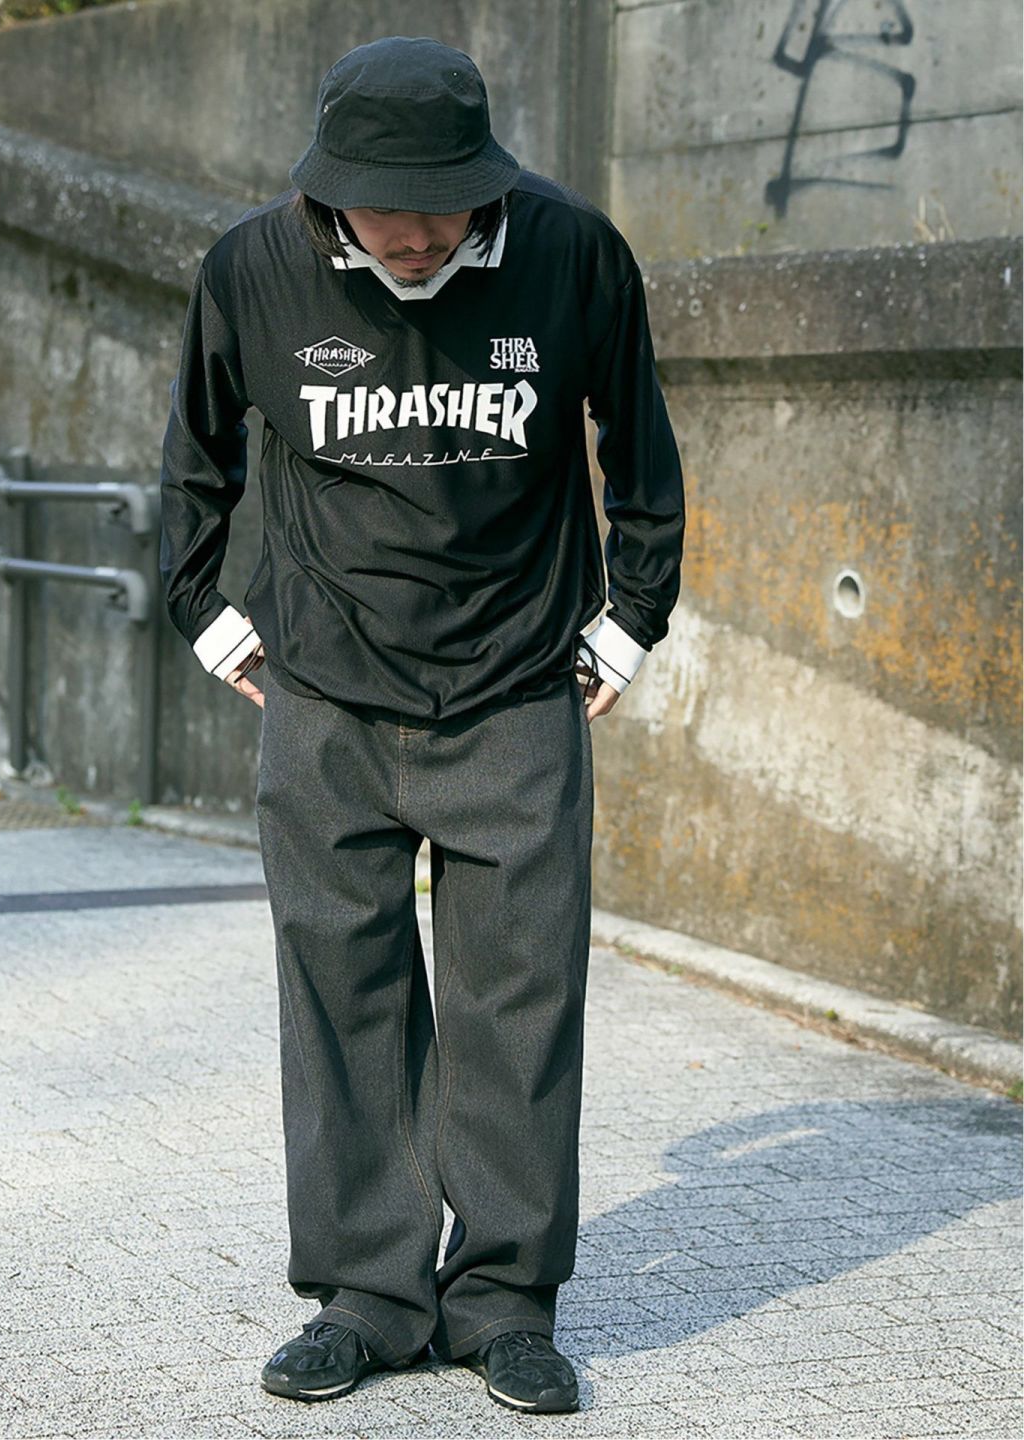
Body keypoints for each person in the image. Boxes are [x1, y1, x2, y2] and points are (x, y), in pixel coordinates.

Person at [158, 34, 684, 1417]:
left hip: (515, 692)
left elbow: (639, 443)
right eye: (386, 211)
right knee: (343, 993)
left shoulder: (573, 256)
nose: (414, 236)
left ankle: (504, 1302)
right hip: (325, 695)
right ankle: (369, 1295)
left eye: (442, 208)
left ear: (484, 182)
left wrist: (634, 617)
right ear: (328, 189)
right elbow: (197, 455)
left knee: (521, 1003)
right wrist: (202, 610)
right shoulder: (253, 269)